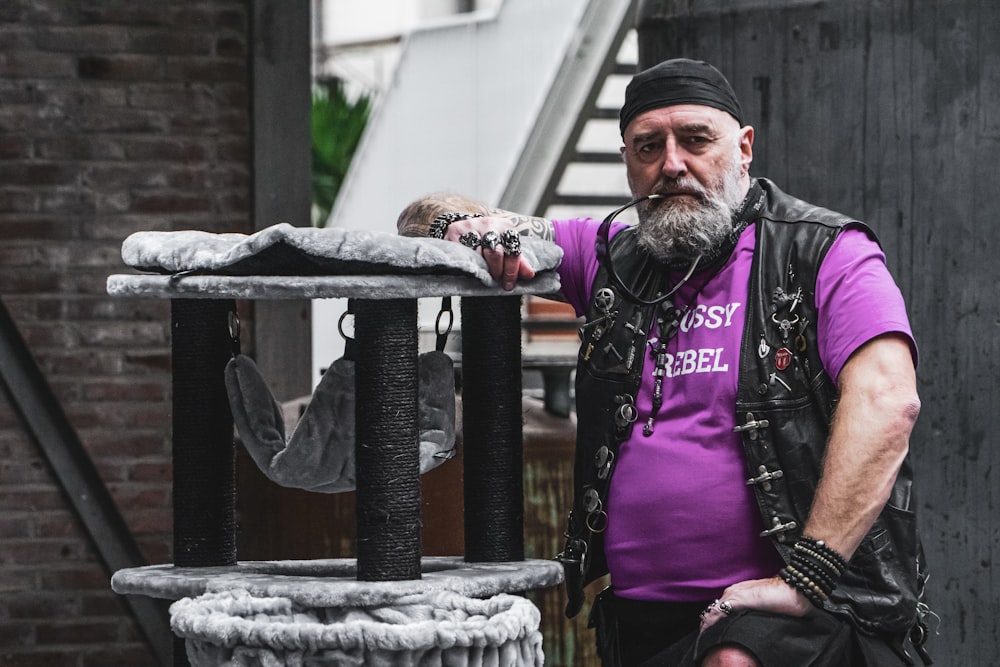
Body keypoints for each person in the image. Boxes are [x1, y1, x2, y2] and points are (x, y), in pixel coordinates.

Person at [397, 59, 930, 667]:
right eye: (648, 146)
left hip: (798, 613)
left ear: (744, 147)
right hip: (638, 620)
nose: (672, 165)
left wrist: (808, 575)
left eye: (696, 140)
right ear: (627, 160)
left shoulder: (825, 252)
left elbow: (889, 401)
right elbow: (422, 216)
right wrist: (469, 230)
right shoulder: (606, 258)